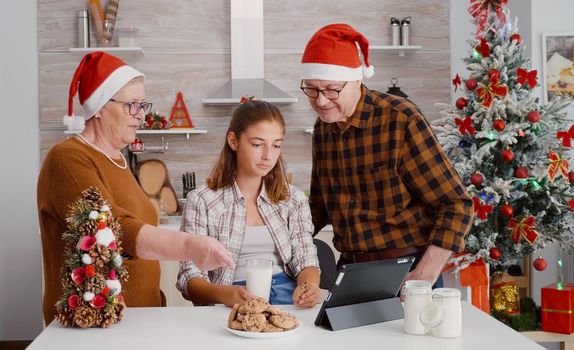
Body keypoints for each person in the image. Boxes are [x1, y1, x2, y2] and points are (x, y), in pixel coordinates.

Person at [37, 51, 234, 324]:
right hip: (92, 325)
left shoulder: (117, 159)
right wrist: (189, 245)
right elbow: (110, 229)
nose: (141, 116)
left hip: (136, 320)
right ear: (100, 107)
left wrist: (158, 301)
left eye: (144, 105)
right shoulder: (68, 158)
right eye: (133, 105)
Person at [301, 23, 473, 287]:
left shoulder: (400, 119)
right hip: (350, 271)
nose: (321, 101)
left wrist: (426, 273)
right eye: (311, 89)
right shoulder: (323, 127)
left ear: (357, 80)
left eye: (331, 89)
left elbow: (456, 204)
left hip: (407, 270)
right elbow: (318, 208)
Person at [177, 100, 321, 307]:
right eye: (257, 144)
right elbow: (189, 275)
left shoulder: (293, 199)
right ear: (233, 141)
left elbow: (305, 257)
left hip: (286, 297)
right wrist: (224, 294)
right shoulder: (202, 201)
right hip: (230, 298)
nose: (268, 155)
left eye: (276, 145)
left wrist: (309, 288)